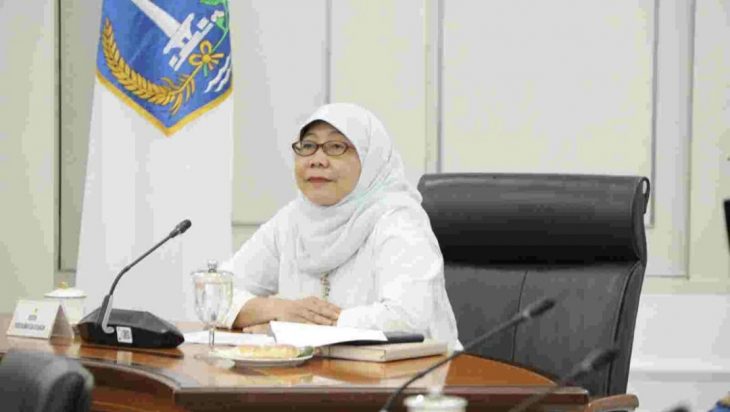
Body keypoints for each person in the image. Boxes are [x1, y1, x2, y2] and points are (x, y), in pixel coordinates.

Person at [221, 103, 460, 349]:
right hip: (319, 370)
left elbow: (410, 319)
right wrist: (278, 309)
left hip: (418, 371)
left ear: (370, 159)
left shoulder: (398, 220)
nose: (317, 160)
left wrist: (300, 327)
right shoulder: (291, 220)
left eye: (336, 147)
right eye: (308, 146)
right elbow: (214, 294)